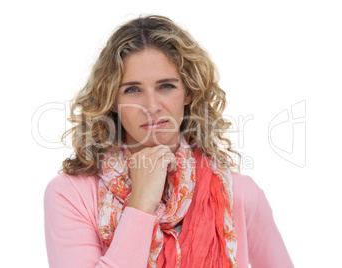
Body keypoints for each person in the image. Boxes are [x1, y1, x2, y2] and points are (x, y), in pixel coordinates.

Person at [44, 15, 294, 268]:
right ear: (112, 101)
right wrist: (141, 204)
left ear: (189, 92)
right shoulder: (71, 194)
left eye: (165, 86)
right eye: (132, 89)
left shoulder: (237, 193)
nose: (152, 106)